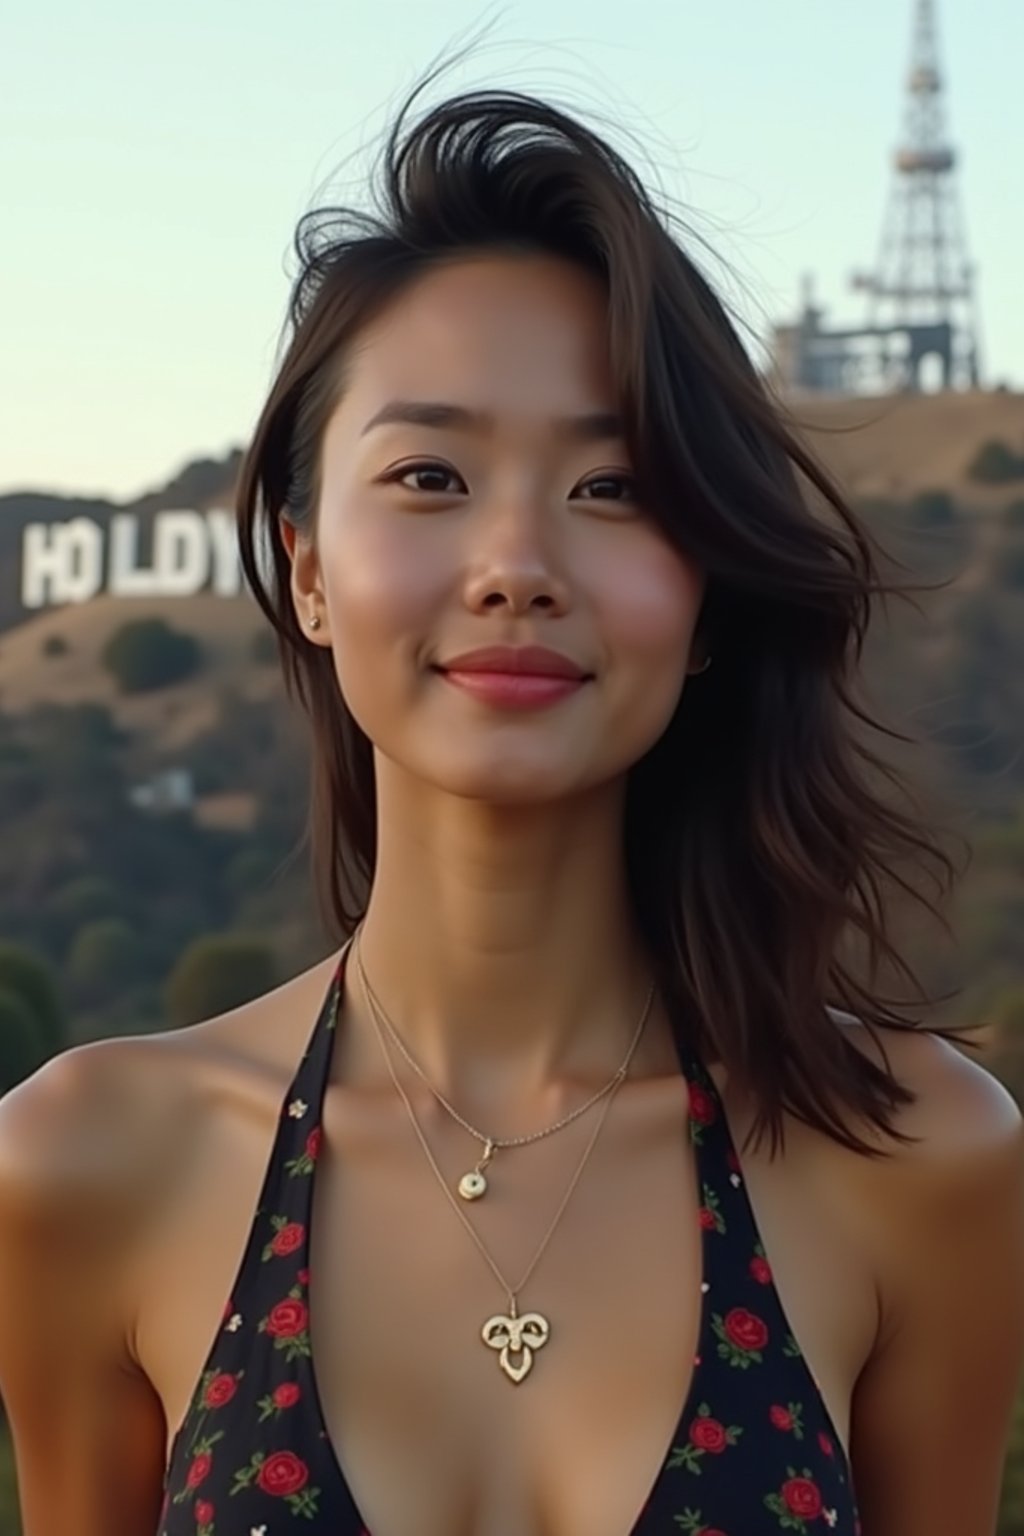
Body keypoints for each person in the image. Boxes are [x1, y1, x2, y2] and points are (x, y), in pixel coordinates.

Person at [1, 71, 1023, 1536]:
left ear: (709, 582)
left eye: (613, 487)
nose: (516, 563)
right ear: (303, 565)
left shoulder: (920, 1158)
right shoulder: (90, 1160)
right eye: (429, 473)